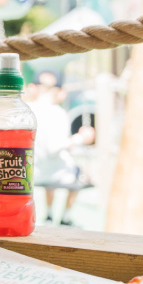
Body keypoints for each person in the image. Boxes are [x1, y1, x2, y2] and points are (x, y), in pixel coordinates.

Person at [26, 71, 94, 226]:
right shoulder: (58, 113)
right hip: (51, 173)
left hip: (31, 171)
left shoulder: (26, 109)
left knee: (57, 166)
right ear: (61, 93)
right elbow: (54, 147)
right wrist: (80, 138)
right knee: (80, 172)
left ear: (33, 88)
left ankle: (49, 215)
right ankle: (66, 217)